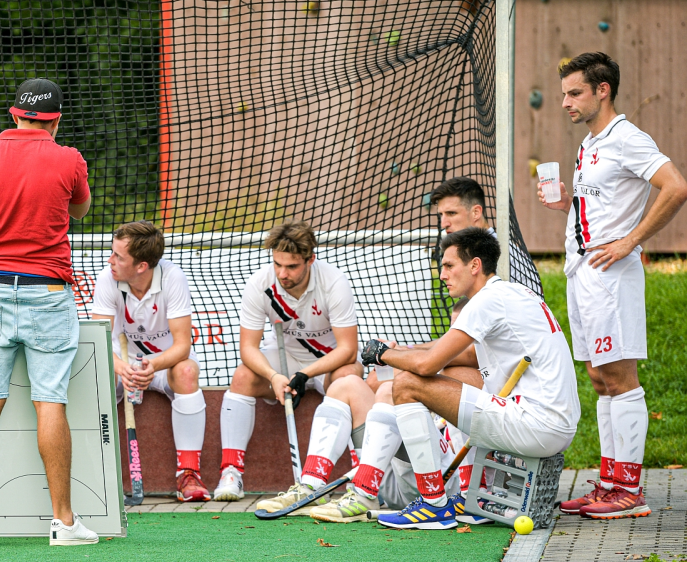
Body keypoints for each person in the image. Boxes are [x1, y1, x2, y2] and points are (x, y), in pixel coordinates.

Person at [539, 52, 687, 520]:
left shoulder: (628, 139)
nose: (565, 102)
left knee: (621, 381)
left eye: (574, 92)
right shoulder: (589, 144)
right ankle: (608, 483)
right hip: (582, 272)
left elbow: (676, 187)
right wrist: (568, 205)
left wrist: (631, 242)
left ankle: (629, 489)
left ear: (603, 90)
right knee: (600, 379)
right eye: (563, 93)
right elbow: (604, 208)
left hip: (611, 278)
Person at [0, 77, 95, 547]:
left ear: (13, 113)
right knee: (49, 403)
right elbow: (81, 211)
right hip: (48, 292)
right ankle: (64, 523)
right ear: (55, 119)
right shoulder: (69, 158)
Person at [364, 228, 580, 530]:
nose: (442, 274)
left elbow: (427, 365)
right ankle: (475, 496)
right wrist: (404, 351)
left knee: (407, 385)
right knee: (455, 375)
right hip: (552, 423)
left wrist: (382, 354)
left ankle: (433, 504)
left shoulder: (485, 301)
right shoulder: (511, 292)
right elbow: (459, 356)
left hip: (536, 424)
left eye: (449, 265)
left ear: (475, 265)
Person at [211, 219, 362, 502]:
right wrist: (272, 376)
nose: (282, 273)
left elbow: (348, 349)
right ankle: (231, 473)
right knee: (243, 376)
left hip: (328, 362)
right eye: (277, 264)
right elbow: (248, 348)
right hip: (285, 359)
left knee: (349, 376)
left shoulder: (333, 282)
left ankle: (361, 476)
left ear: (310, 259)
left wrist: (305, 374)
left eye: (291, 266)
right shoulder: (261, 283)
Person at [311, 299, 480, 523]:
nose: (455, 342)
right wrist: (396, 356)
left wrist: (402, 356)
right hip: (393, 482)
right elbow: (372, 384)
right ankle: (311, 485)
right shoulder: (431, 361)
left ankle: (363, 492)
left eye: (464, 335)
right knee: (347, 384)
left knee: (390, 391)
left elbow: (459, 357)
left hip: (444, 485)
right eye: (453, 334)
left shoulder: (484, 372)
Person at [88, 221, 209, 501]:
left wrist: (153, 366)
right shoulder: (108, 278)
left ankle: (188, 475)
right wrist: (122, 368)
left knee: (188, 370)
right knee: (94, 375)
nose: (110, 261)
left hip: (162, 366)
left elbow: (182, 345)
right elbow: (99, 339)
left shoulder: (172, 277)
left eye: (118, 256)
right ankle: (97, 476)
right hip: (122, 364)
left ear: (142, 266)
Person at [430, 176, 540, 291]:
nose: (444, 224)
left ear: (476, 212)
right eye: (441, 215)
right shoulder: (477, 249)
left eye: (452, 213)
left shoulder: (502, 255)